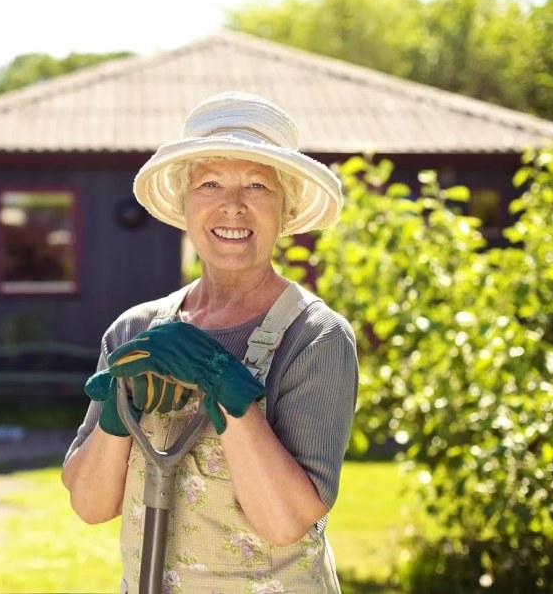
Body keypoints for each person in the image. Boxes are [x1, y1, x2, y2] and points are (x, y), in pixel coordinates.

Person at [62, 91, 358, 594]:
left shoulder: (315, 337)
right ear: (185, 202)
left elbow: (286, 522)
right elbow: (90, 506)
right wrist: (117, 413)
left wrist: (226, 384)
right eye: (211, 183)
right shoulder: (134, 332)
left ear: (285, 212)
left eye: (258, 186)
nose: (233, 205)